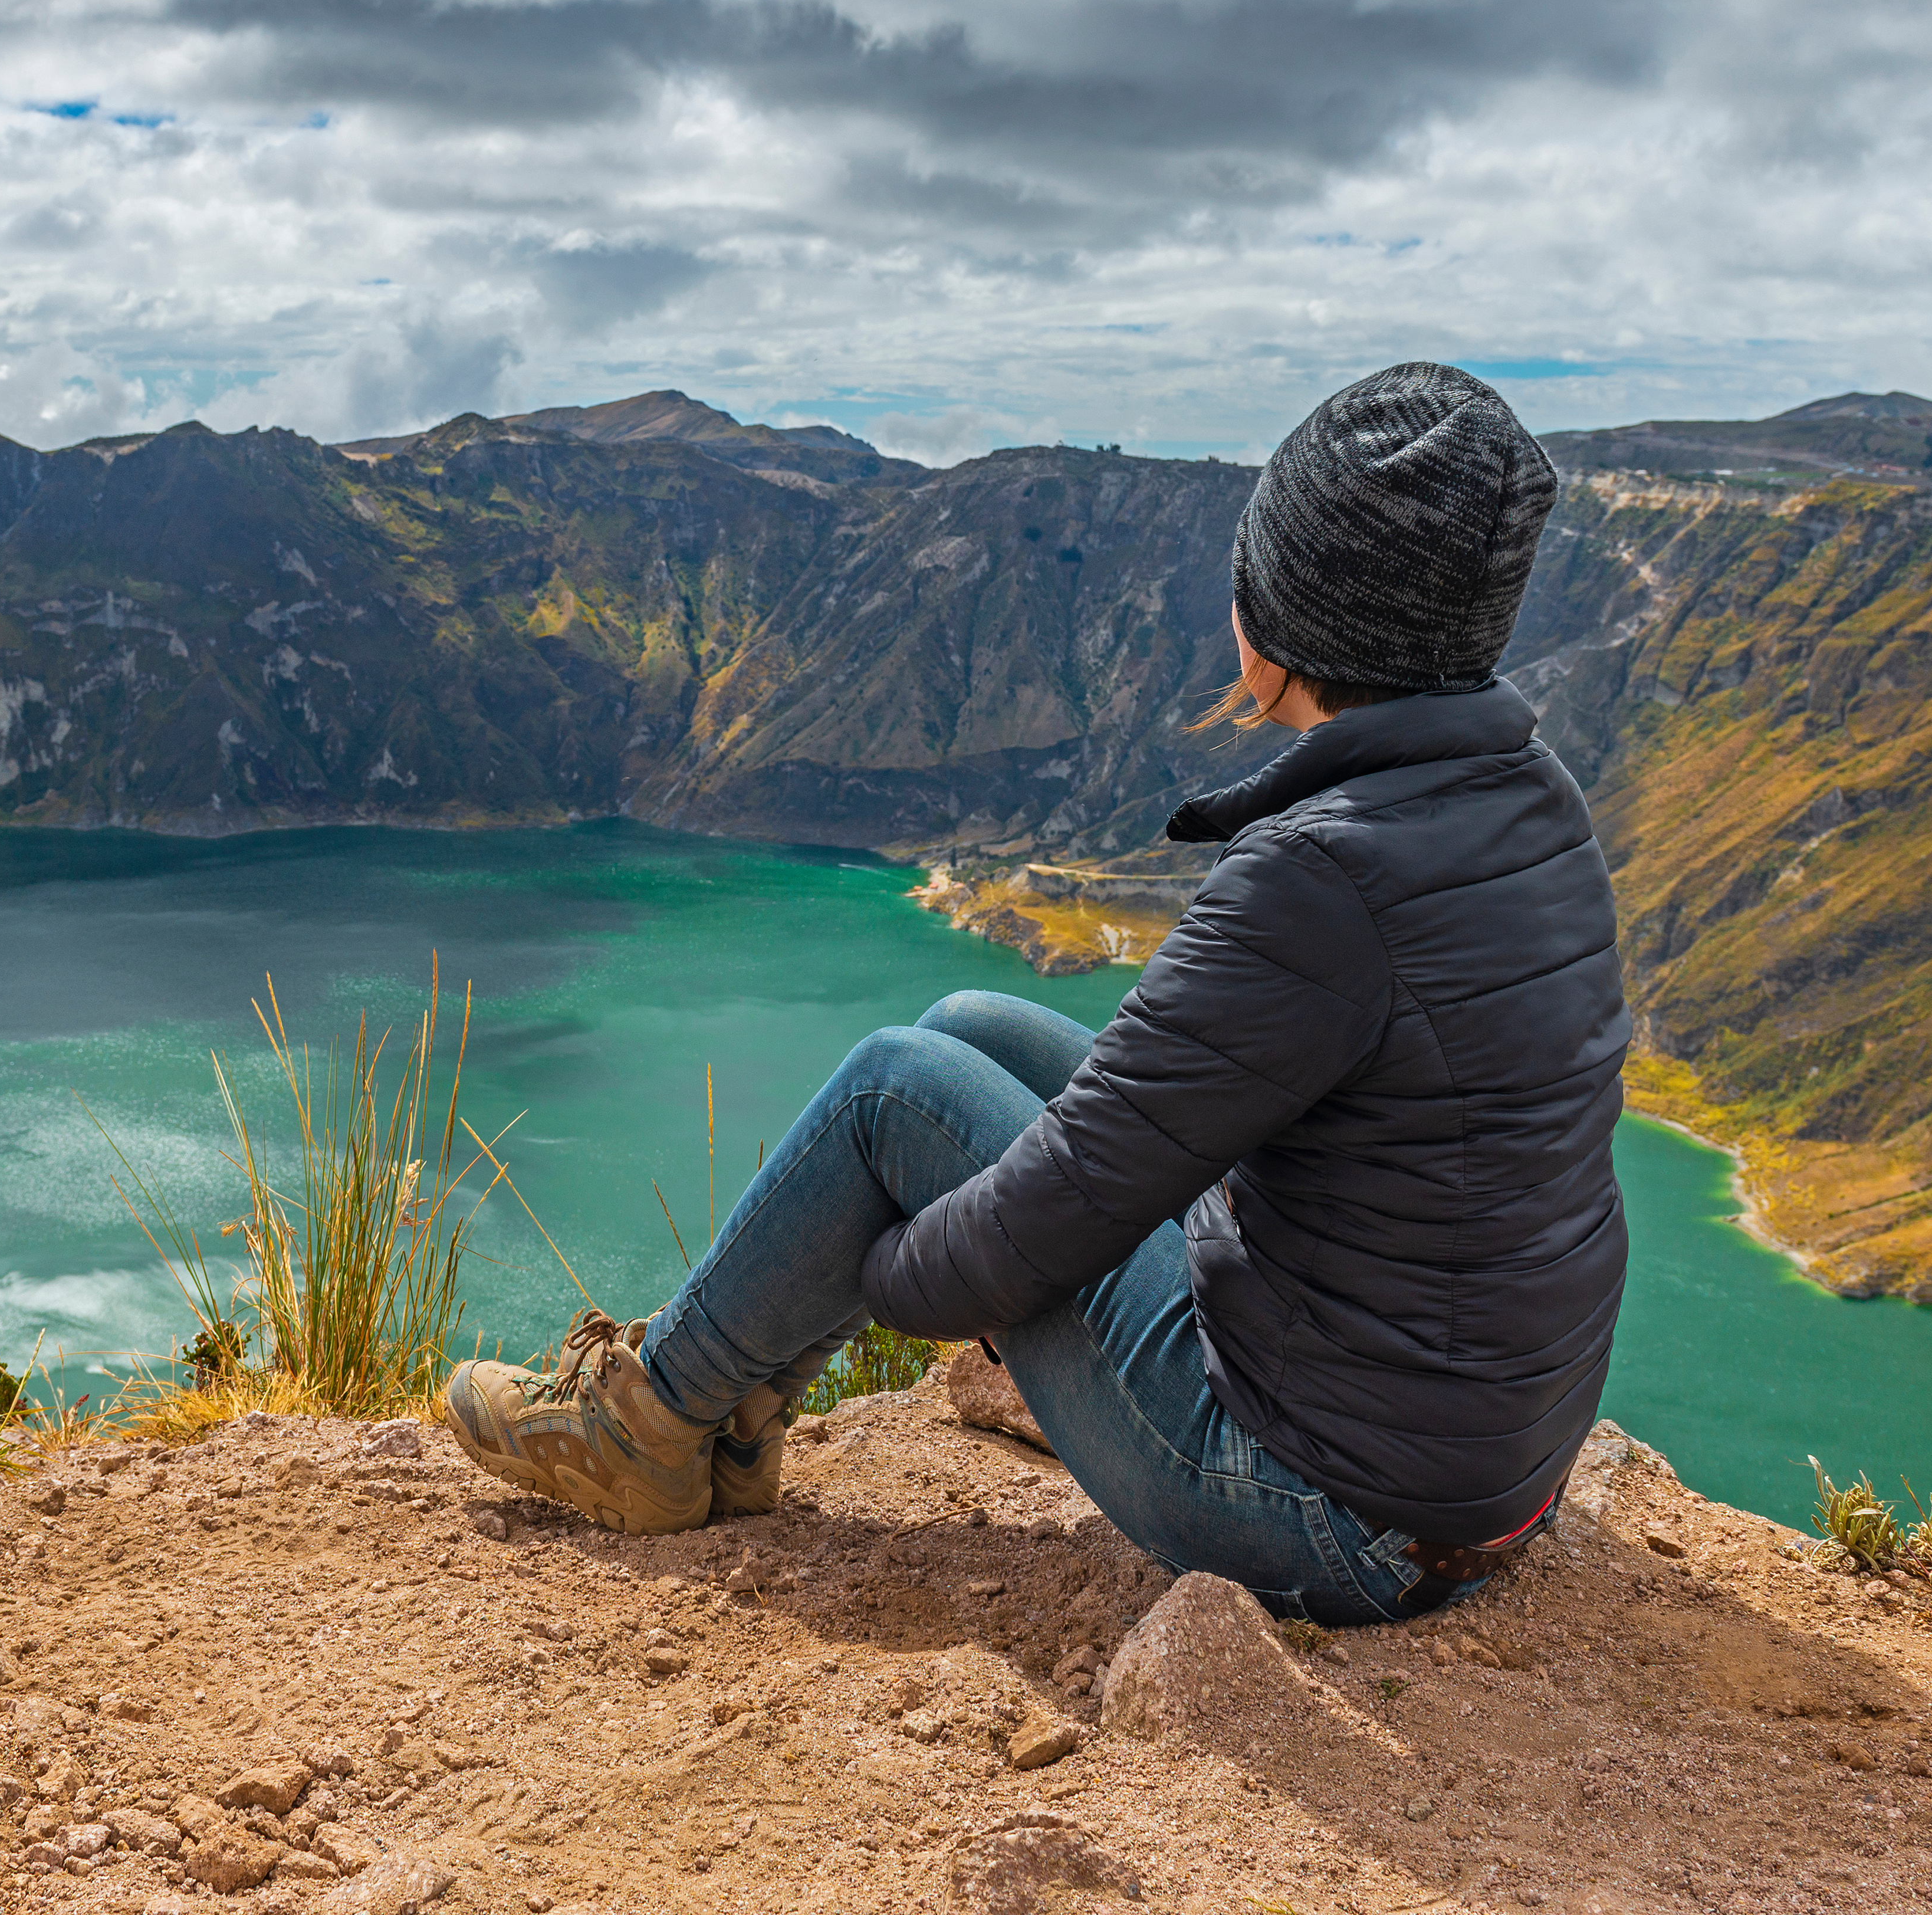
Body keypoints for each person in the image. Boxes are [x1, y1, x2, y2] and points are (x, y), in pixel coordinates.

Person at [440, 360, 1629, 1623]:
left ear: (1286, 607)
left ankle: (647, 1424)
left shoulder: (1317, 871)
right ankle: (727, 1418)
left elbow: (1052, 1214)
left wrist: (891, 1259)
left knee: (892, 1094)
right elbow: (1163, 1130)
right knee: (970, 1029)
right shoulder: (1522, 795)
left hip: (1326, 1513)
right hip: (1477, 1473)